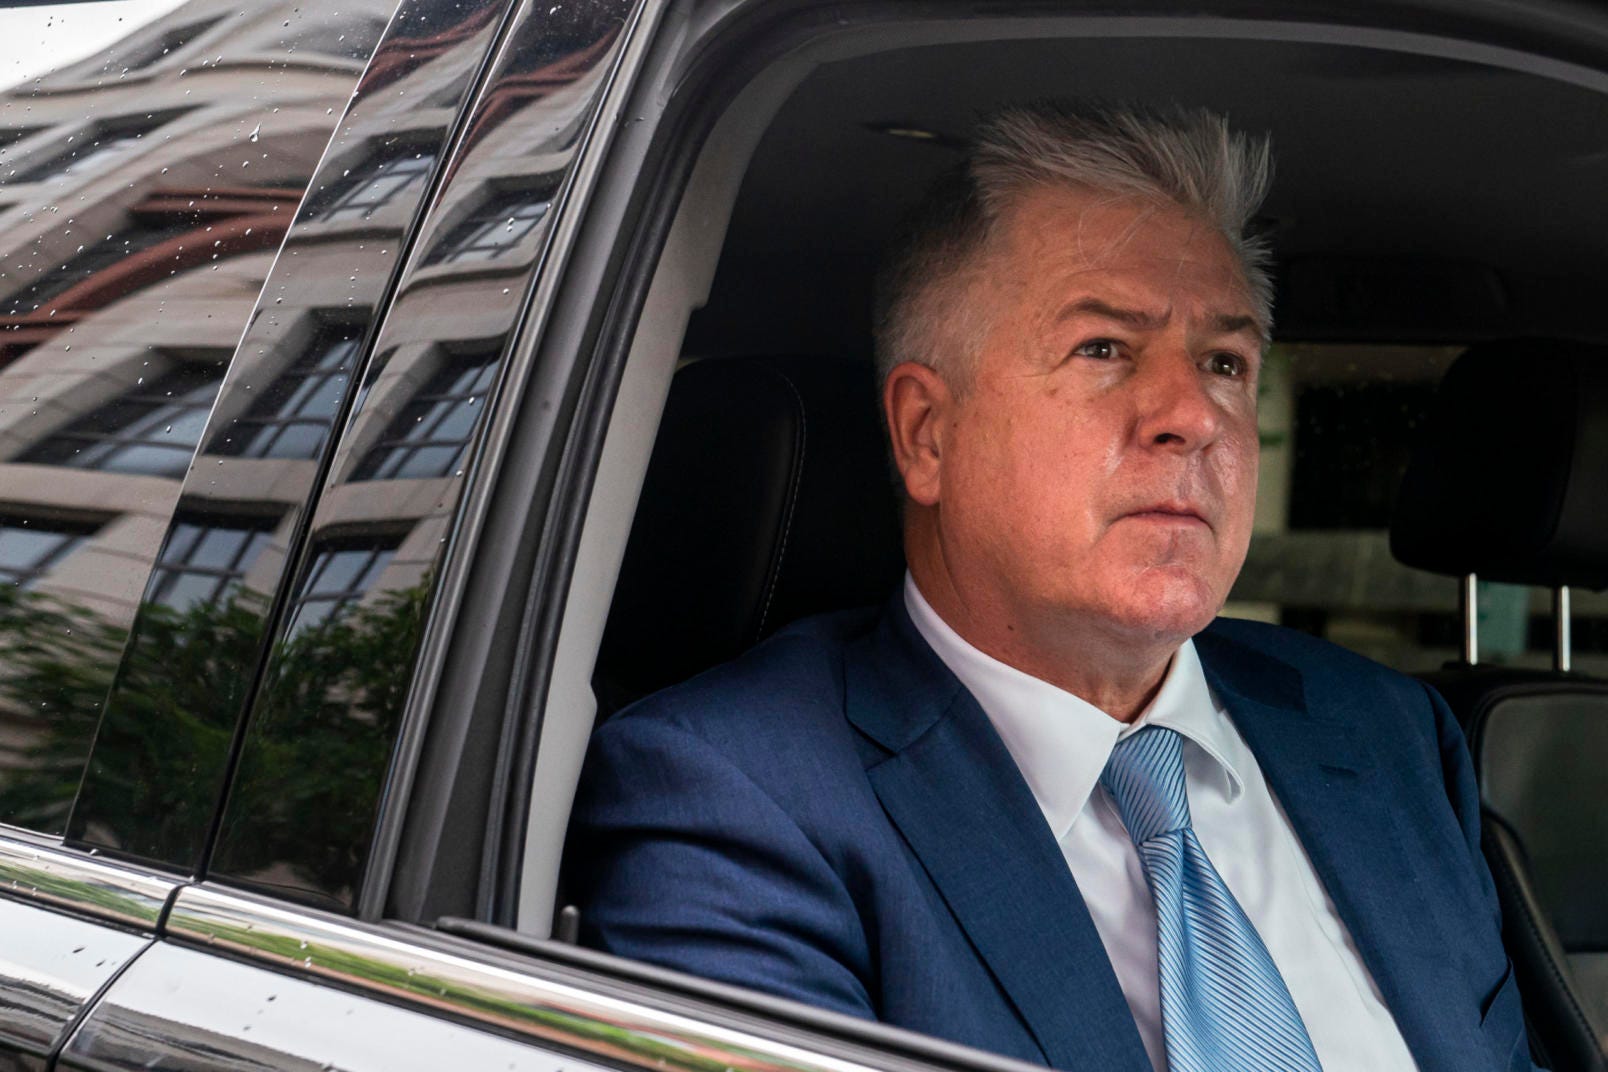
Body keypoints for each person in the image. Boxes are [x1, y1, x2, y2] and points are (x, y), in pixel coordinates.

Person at [566, 102, 1536, 1072]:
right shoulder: (731, 797)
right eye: (1104, 348)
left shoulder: (1388, 734)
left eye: (1225, 362)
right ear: (927, 434)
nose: (1194, 414)